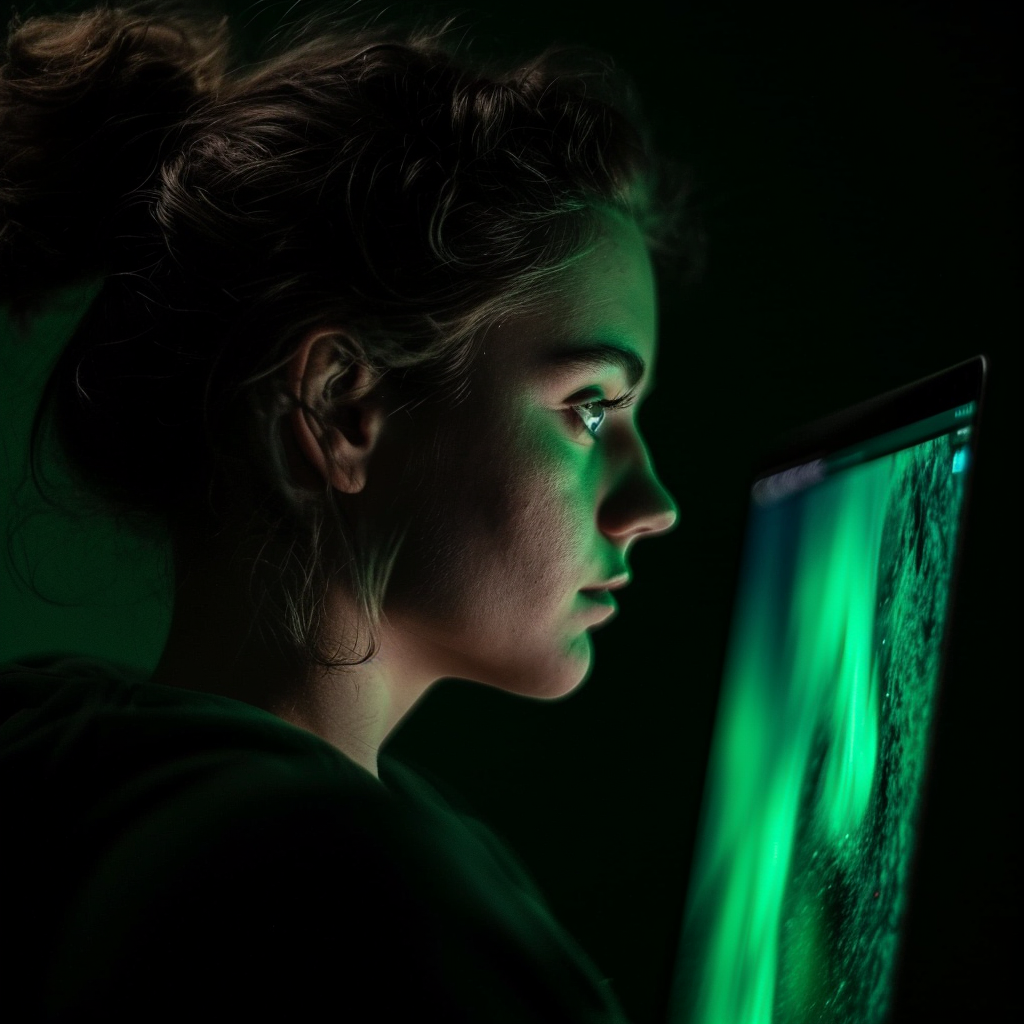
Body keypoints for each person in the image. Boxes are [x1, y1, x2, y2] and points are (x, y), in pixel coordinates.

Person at [0, 2, 694, 1020]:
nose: (654, 505)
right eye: (590, 408)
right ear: (343, 408)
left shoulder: (98, 788)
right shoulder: (347, 898)